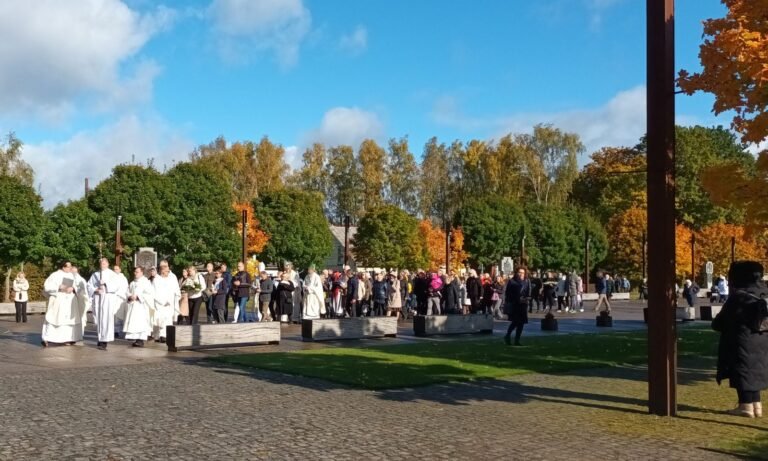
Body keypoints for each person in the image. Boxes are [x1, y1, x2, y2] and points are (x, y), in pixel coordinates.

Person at [712, 261, 768, 418]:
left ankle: (745, 406)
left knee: (742, 371)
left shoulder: (739, 297)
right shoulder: (764, 292)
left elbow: (719, 323)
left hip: (741, 340)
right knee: (755, 370)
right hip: (762, 339)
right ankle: (756, 405)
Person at [41, 261, 86, 347]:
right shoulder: (55, 275)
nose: (70, 268)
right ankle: (49, 338)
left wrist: (73, 288)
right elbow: (47, 287)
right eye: (68, 267)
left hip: (70, 301)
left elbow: (79, 286)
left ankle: (68, 338)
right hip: (59, 300)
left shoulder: (72, 275)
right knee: (56, 318)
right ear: (63, 267)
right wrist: (59, 287)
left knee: (68, 320)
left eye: (70, 266)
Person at [87, 258, 126, 350]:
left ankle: (104, 341)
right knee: (98, 319)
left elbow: (116, 286)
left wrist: (105, 285)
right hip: (98, 298)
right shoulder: (95, 274)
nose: (102, 265)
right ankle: (99, 338)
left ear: (108, 264)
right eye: (101, 263)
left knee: (106, 319)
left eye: (104, 263)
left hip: (107, 298)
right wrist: (95, 290)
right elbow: (89, 285)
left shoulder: (112, 274)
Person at [123, 267, 154, 347]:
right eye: (135, 272)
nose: (135, 273)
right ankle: (136, 339)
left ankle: (140, 340)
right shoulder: (133, 283)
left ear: (141, 273)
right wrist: (130, 296)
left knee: (141, 323)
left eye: (137, 272)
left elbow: (150, 294)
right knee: (134, 322)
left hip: (141, 306)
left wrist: (138, 297)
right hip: (133, 305)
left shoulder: (146, 282)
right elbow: (127, 292)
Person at [152, 260, 180, 343]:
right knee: (159, 320)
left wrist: (176, 297)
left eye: (166, 270)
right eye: (163, 270)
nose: (165, 272)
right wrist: (162, 301)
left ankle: (164, 336)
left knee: (167, 319)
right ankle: (157, 336)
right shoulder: (157, 279)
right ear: (161, 271)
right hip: (159, 303)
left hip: (170, 303)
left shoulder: (172, 277)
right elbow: (154, 292)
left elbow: (176, 289)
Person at [504, 268, 531, 346]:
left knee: (521, 323)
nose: (521, 274)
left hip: (523, 305)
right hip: (515, 304)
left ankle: (517, 340)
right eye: (520, 272)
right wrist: (517, 298)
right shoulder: (512, 281)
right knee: (515, 322)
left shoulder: (527, 281)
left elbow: (529, 293)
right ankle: (508, 335)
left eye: (523, 272)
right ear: (517, 273)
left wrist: (526, 298)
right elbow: (508, 293)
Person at [112, 264, 130, 339]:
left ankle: (119, 331)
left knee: (119, 316)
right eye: (114, 269)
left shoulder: (123, 278)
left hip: (120, 299)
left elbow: (125, 288)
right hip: (113, 299)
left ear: (120, 270)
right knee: (113, 316)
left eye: (116, 269)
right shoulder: (111, 277)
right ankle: (114, 331)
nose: (115, 271)